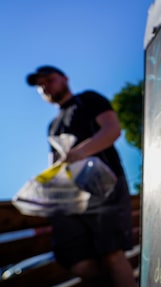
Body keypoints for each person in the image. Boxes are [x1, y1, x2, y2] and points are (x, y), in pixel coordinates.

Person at [26, 65, 138, 287]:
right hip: (72, 199)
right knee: (77, 260)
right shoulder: (53, 126)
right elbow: (55, 164)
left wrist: (80, 152)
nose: (45, 87)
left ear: (64, 78)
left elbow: (112, 130)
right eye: (40, 86)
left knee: (112, 254)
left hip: (104, 185)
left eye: (48, 80)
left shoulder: (88, 100)